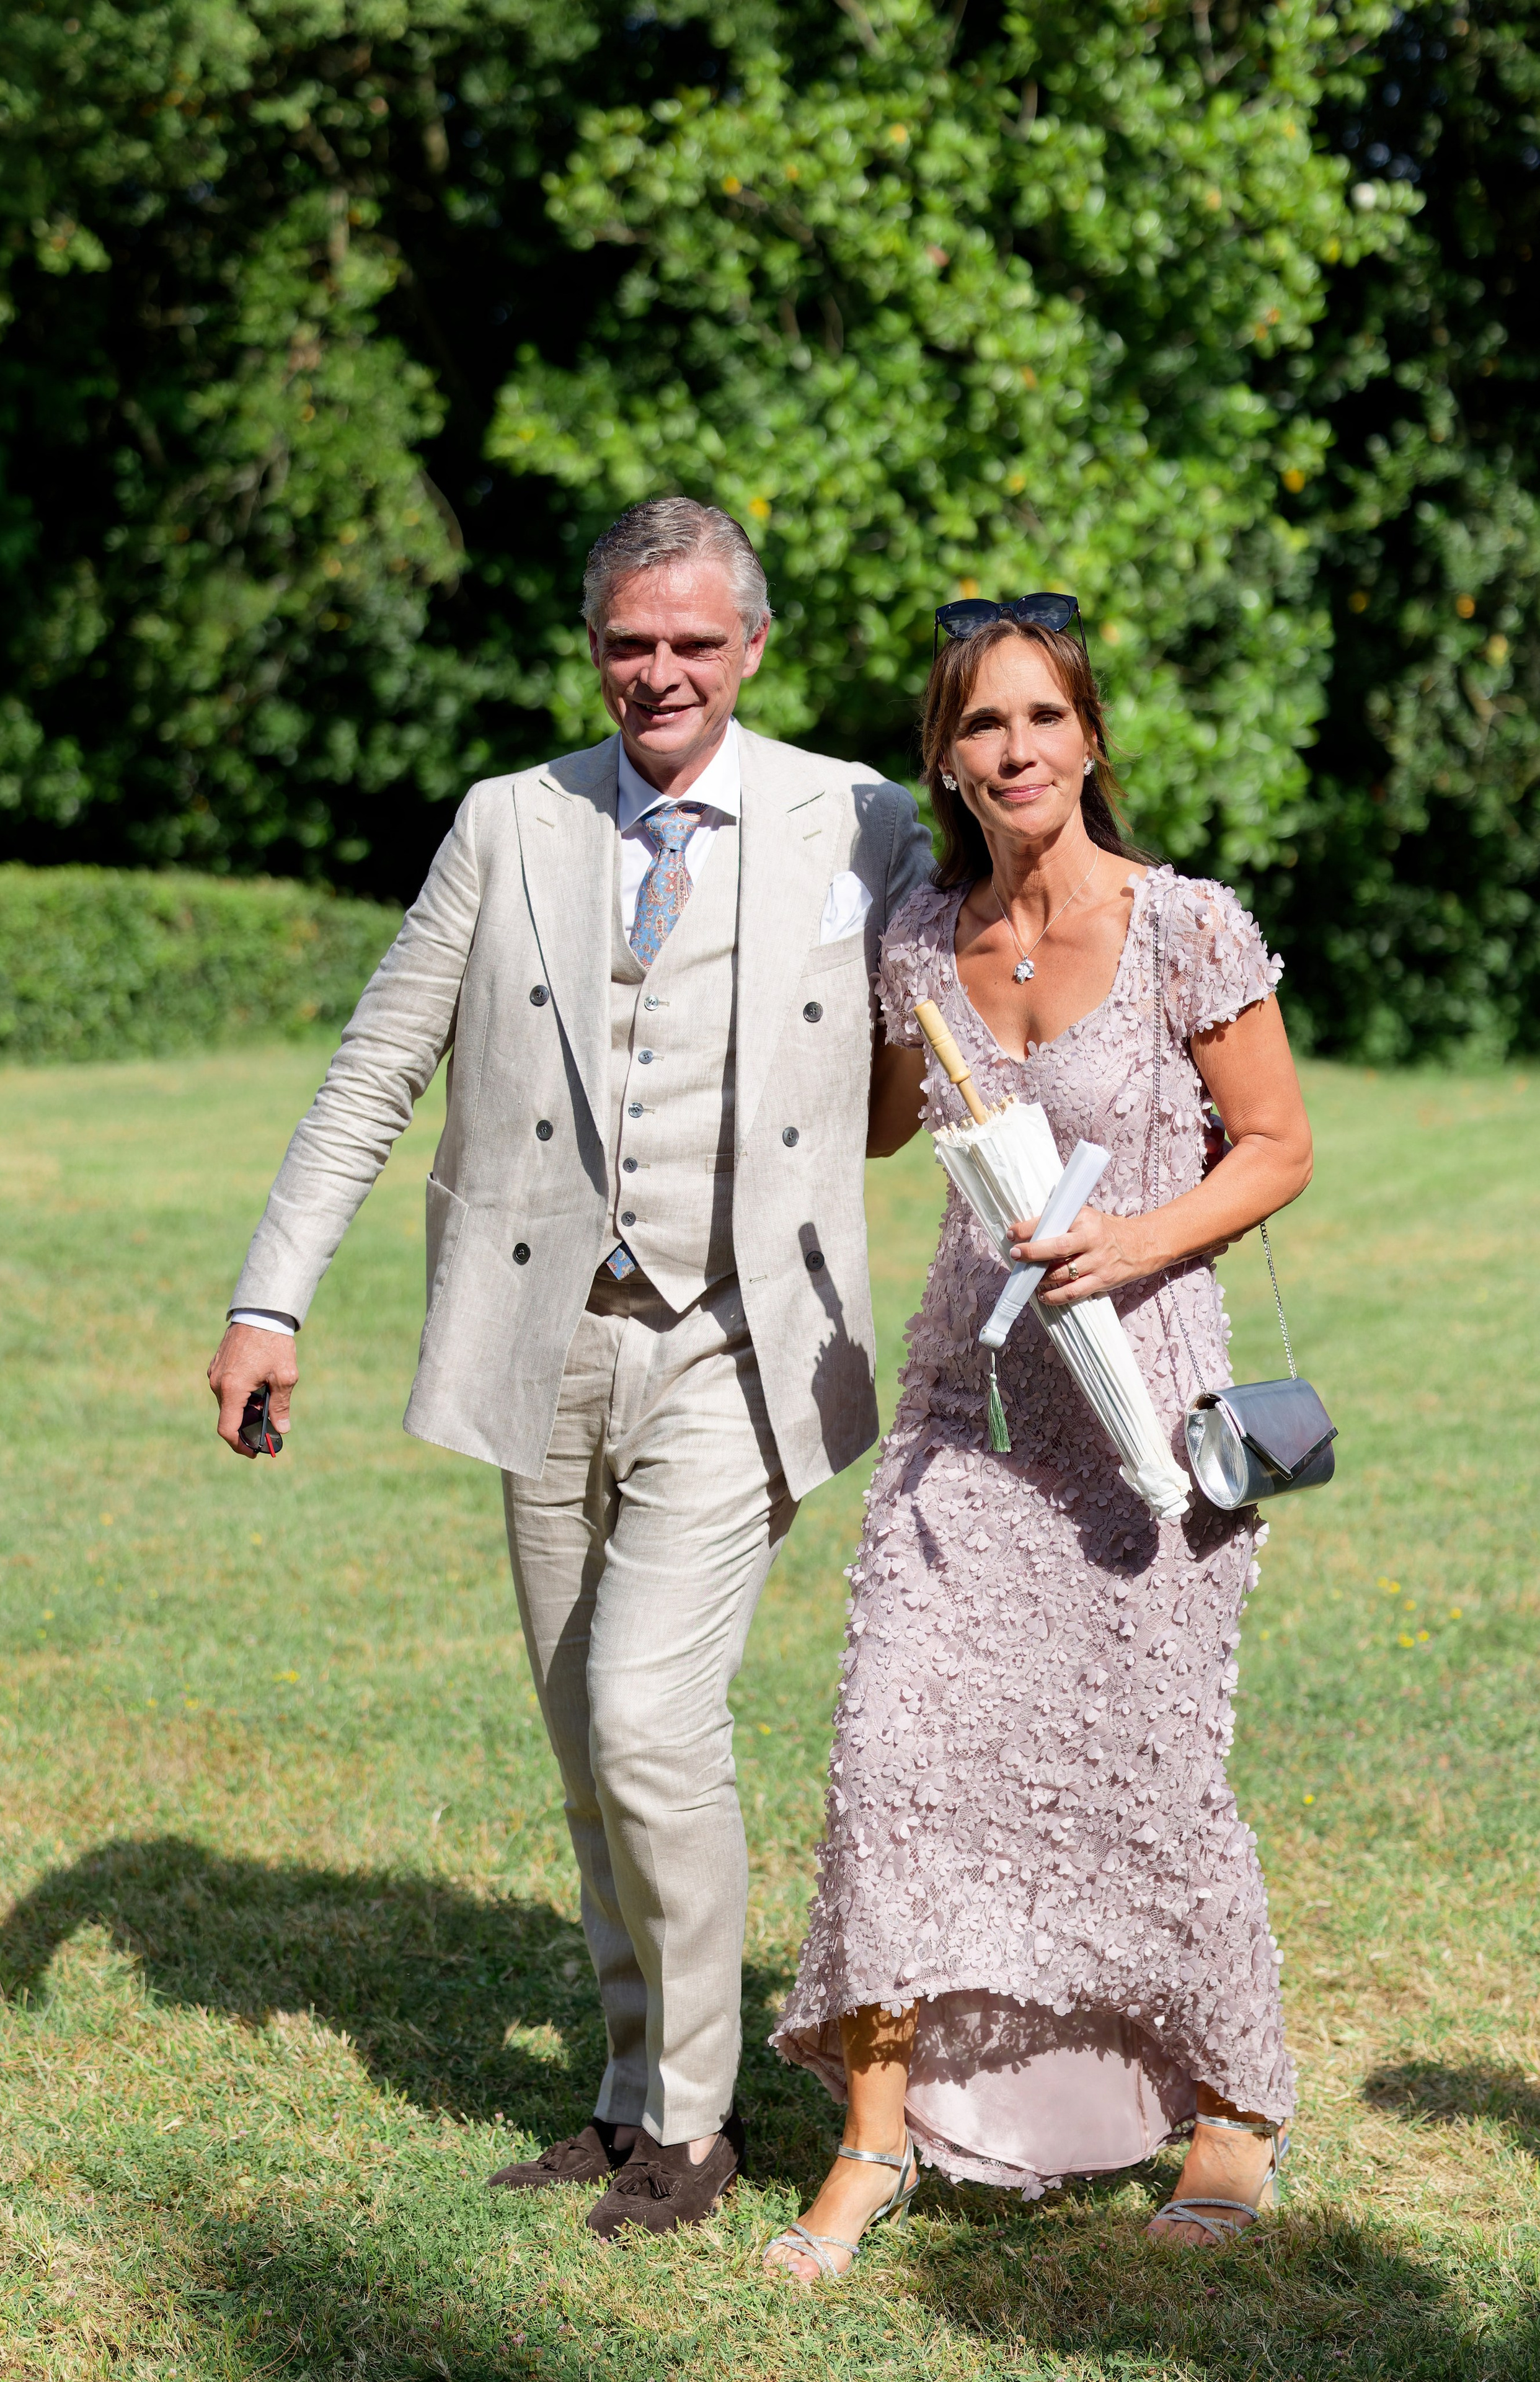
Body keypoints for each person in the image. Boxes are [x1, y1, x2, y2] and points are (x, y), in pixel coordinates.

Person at [207, 498, 934, 2237]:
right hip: (544, 1335)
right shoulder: (507, 824)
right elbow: (376, 1063)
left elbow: (972, 1004)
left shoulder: (860, 817)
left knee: (646, 1713)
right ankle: (625, 2095)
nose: (660, 672)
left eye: (695, 640)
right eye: (630, 642)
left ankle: (699, 2122)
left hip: (741, 1340)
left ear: (754, 645)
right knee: (578, 1733)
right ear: (593, 648)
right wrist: (272, 1297)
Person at [764, 603, 1314, 2282]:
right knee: (888, 1751)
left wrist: (1138, 1239)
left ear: (1088, 739)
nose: (1015, 751)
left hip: (1148, 1422)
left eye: (1042, 718)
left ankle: (1230, 2103)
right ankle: (875, 2140)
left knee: (1153, 1777)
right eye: (980, 725)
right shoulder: (920, 944)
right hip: (968, 1412)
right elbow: (848, 1120)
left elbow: (1279, 1146)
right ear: (944, 757)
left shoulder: (1186, 930)